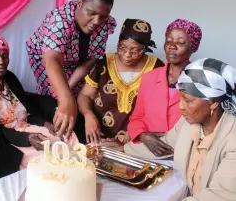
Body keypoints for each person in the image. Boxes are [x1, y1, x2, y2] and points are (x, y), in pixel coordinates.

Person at [0, 30, 77, 177]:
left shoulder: (10, 78)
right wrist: (27, 138)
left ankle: (76, 179)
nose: (1, 61)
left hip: (26, 128)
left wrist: (45, 123)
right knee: (47, 157)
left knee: (65, 137)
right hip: (6, 141)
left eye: (5, 56)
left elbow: (26, 111)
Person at [125, 58, 236, 200]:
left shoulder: (232, 139)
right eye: (181, 98)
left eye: (188, 100)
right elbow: (166, 144)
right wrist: (122, 148)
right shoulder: (188, 123)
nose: (181, 106)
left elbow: (220, 194)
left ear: (213, 103)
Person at [26, 0, 117, 141]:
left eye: (102, 16)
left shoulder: (103, 24)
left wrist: (69, 91)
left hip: (77, 62)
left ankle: (77, 139)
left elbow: (91, 59)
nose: (96, 21)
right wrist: (65, 98)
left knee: (73, 98)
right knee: (55, 99)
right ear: (79, 3)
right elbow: (52, 60)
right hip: (46, 58)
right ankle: (55, 137)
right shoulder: (59, 21)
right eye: (91, 13)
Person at [77, 19, 164, 145]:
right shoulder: (105, 62)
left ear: (144, 49)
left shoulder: (156, 67)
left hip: (135, 141)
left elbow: (158, 107)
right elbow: (85, 95)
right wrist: (88, 115)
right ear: (118, 43)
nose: (127, 55)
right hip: (100, 137)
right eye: (122, 48)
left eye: (134, 51)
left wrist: (138, 129)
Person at [127, 19, 202, 157]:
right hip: (147, 152)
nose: (172, 46)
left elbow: (204, 123)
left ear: (193, 47)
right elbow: (136, 117)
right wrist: (143, 136)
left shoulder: (200, 81)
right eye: (169, 41)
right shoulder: (149, 77)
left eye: (180, 43)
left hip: (185, 154)